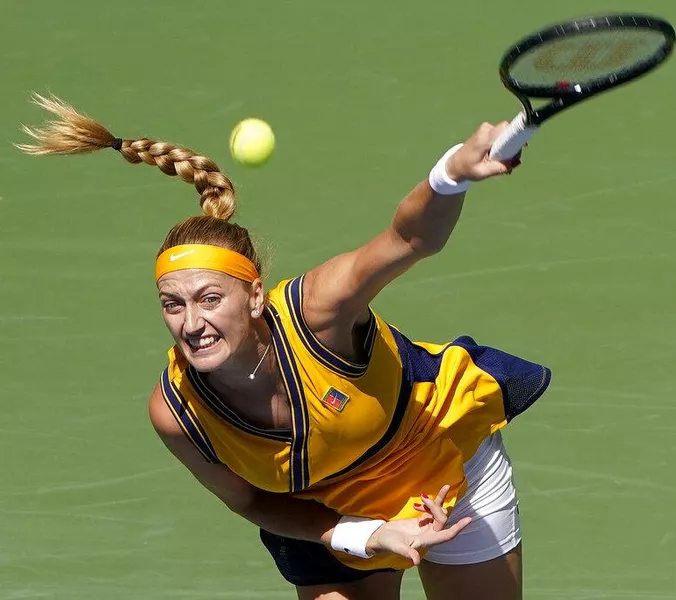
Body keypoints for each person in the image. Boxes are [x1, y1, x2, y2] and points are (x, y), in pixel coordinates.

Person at [18, 93, 552, 600]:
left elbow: (408, 240)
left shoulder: (318, 313)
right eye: (172, 304)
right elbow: (250, 499)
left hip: (441, 458)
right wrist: (364, 536)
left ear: (253, 296)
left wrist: (451, 175)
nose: (192, 323)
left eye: (209, 299)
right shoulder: (177, 413)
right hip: (328, 516)